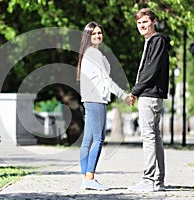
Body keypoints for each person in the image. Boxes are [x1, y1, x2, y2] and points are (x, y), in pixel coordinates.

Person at [77, 21, 134, 191]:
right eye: (93, 33)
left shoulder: (87, 53)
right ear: (88, 36)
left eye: (99, 33)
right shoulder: (94, 54)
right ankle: (90, 177)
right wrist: (124, 95)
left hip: (88, 100)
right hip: (96, 100)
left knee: (88, 140)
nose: (97, 36)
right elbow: (106, 81)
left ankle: (85, 177)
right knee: (98, 139)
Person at [128, 8, 171, 192]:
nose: (142, 26)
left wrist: (135, 92)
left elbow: (150, 70)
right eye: (139, 23)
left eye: (145, 22)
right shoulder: (152, 42)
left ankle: (148, 179)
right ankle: (158, 181)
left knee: (149, 137)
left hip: (149, 95)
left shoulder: (157, 40)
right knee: (155, 137)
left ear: (153, 21)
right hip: (151, 95)